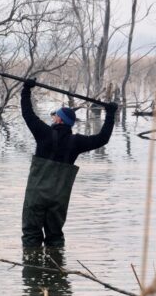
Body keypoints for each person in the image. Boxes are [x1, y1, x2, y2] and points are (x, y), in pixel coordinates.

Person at [20, 81, 117, 248]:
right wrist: (110, 115)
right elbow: (103, 139)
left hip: (36, 195)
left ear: (59, 119)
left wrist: (26, 89)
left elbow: (27, 114)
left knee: (31, 236)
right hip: (59, 198)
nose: (53, 117)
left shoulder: (44, 133)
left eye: (55, 115)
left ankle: (31, 263)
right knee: (55, 237)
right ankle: (57, 263)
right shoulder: (76, 142)